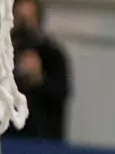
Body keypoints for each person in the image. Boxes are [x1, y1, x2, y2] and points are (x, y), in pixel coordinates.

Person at [11, 0, 71, 141]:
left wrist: (38, 78)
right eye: (20, 19)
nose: (24, 27)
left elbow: (61, 93)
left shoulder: (52, 55)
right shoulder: (5, 55)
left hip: (44, 139)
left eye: (29, 20)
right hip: (9, 139)